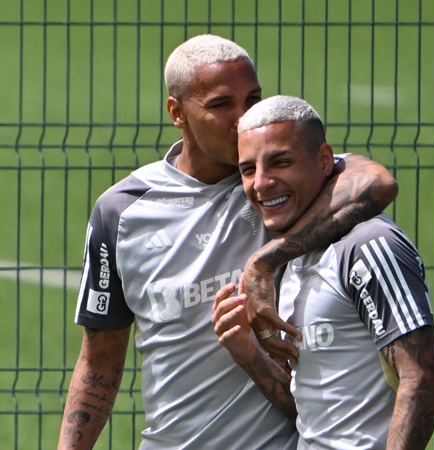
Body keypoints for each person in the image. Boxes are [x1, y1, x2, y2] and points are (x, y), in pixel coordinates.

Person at [57, 35, 398, 449]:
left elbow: (377, 181)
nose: (243, 118)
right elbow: (99, 363)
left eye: (252, 99)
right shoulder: (122, 212)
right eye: (221, 105)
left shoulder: (279, 185)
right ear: (177, 112)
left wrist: (266, 261)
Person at [213, 95, 434, 450]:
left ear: (324, 161)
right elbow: (314, 416)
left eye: (280, 162)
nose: (261, 183)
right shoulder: (295, 253)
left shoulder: (368, 243)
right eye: (248, 170)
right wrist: (248, 354)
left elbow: (423, 380)